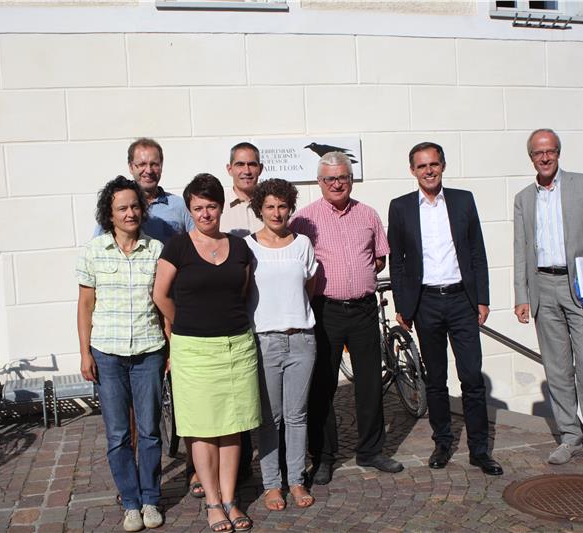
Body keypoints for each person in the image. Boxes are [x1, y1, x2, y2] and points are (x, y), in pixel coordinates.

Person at [153, 174, 260, 532]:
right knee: (201, 428)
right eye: (198, 207)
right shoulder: (178, 247)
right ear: (190, 209)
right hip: (194, 351)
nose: (205, 213)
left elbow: (242, 292)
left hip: (236, 346)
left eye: (211, 206)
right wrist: (183, 323)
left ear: (220, 207)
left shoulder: (240, 247)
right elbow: (160, 295)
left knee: (232, 427)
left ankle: (230, 499)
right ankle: (213, 503)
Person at [388, 142, 502, 476]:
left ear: (443, 166)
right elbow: (398, 262)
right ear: (412, 170)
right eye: (422, 166)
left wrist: (482, 299)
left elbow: (477, 251)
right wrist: (403, 305)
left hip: (461, 300)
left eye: (434, 164)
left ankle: (479, 450)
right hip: (426, 302)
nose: (429, 171)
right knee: (436, 380)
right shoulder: (400, 207)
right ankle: (442, 443)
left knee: (472, 377)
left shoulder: (463, 200)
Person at [513, 128, 583, 482]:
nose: (545, 157)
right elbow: (521, 249)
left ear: (558, 153)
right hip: (543, 287)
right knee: (557, 369)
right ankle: (570, 436)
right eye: (538, 153)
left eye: (550, 151)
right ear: (531, 157)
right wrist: (521, 295)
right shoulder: (523, 198)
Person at [290, 152, 403, 486]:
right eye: (330, 179)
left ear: (351, 180)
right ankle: (323, 457)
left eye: (343, 177)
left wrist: (357, 276)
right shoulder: (304, 220)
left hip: (365, 309)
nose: (337, 184)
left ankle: (371, 450)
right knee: (322, 385)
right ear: (319, 182)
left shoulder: (368, 214)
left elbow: (379, 259)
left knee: (370, 383)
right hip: (326, 310)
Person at [76, 176, 166, 531]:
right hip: (108, 354)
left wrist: (170, 348)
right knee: (117, 435)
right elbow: (85, 305)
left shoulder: (156, 250)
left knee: (150, 431)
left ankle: (151, 499)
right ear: (109, 214)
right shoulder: (94, 251)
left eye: (134, 206)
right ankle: (130, 502)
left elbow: (163, 304)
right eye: (122, 208)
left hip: (149, 351)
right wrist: (85, 353)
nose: (130, 213)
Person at [246, 178, 317, 511]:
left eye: (282, 206)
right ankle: (272, 484)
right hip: (265, 341)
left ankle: (296, 480)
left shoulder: (303, 244)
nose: (276, 212)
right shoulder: (248, 247)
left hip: (301, 339)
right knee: (270, 418)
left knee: (297, 416)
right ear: (260, 209)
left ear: (290, 208)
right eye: (270, 206)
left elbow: (308, 286)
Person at [94, 138, 193, 242]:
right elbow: (98, 246)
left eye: (154, 164)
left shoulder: (180, 206)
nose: (149, 170)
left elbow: (197, 242)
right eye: (142, 164)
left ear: (161, 166)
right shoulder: (115, 205)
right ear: (131, 167)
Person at [221, 142, 265, 238]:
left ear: (260, 169)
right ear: (230, 169)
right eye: (240, 164)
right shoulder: (219, 207)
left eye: (252, 164)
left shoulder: (271, 207)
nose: (247, 171)